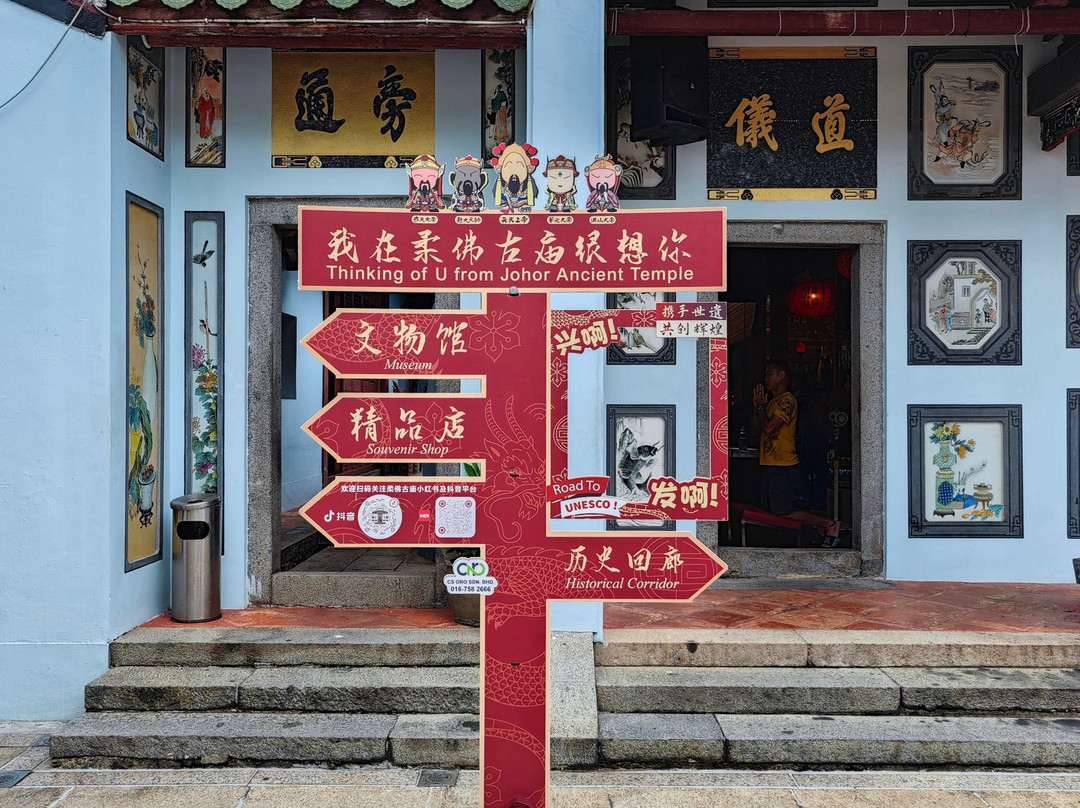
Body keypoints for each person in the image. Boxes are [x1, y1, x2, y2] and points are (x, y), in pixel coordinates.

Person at [752, 361, 841, 545]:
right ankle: (818, 527)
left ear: (781, 375)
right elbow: (755, 430)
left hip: (783, 465)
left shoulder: (787, 401)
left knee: (782, 512)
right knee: (770, 512)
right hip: (769, 463)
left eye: (769, 374)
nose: (765, 379)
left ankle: (828, 524)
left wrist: (761, 408)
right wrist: (757, 406)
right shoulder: (771, 403)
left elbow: (769, 428)